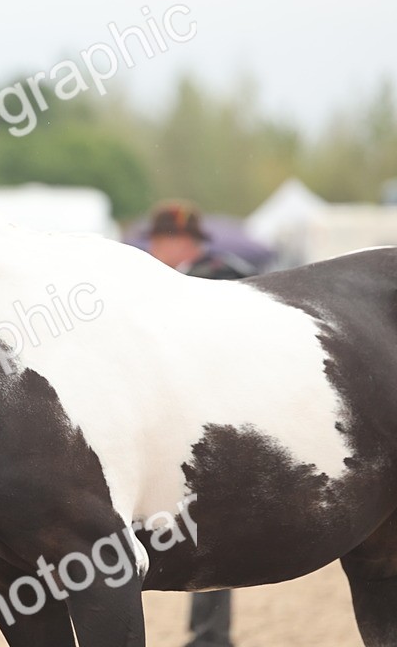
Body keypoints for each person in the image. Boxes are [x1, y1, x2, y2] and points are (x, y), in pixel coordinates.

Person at [146, 200, 252, 647]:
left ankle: (211, 635)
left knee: (211, 525)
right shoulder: (168, 280)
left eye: (160, 240)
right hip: (183, 412)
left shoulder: (219, 277)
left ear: (177, 241)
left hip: (220, 413)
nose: (155, 250)